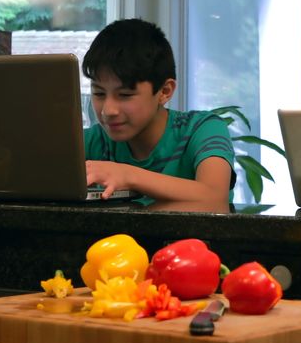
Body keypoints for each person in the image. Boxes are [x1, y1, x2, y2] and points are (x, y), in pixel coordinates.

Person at [82, 18, 235, 204]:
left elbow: (215, 199)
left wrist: (128, 175)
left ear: (164, 91)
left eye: (125, 95)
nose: (108, 110)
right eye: (99, 93)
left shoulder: (202, 129)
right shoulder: (92, 142)